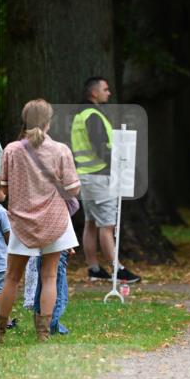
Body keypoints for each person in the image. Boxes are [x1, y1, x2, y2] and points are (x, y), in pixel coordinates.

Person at [0, 100, 80, 343]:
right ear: (48, 122)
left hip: (21, 223)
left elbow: (4, 187)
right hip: (55, 222)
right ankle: (43, 334)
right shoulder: (61, 150)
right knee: (49, 276)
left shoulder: (11, 150)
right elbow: (73, 190)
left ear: (24, 120)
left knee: (12, 277)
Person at [70, 76, 141, 284]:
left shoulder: (80, 115)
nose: (108, 93)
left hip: (86, 175)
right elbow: (101, 147)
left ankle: (93, 268)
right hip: (101, 176)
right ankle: (117, 270)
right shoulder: (93, 115)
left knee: (91, 223)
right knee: (107, 225)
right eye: (105, 89)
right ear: (94, 92)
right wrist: (118, 168)